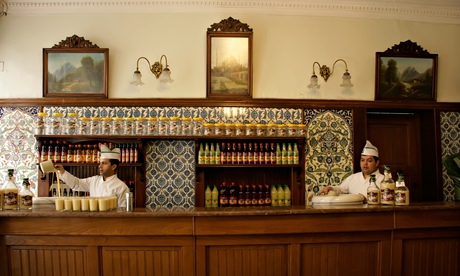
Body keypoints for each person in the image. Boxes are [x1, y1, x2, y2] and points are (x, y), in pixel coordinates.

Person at [55, 144, 130, 208]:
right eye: (100, 163)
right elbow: (76, 184)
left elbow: (122, 211)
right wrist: (62, 171)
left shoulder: (121, 187)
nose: (99, 166)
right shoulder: (94, 181)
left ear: (113, 167)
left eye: (104, 163)